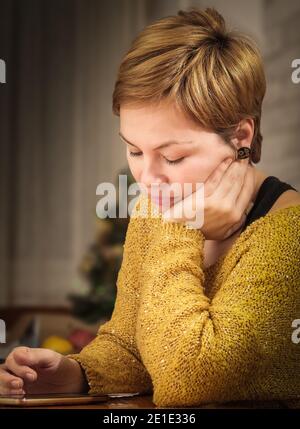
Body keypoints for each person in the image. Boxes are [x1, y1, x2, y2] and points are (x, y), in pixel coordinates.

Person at [1, 7, 300, 408]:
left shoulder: (288, 234)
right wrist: (76, 374)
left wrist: (180, 226)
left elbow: (189, 383)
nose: (148, 179)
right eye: (134, 150)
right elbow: (132, 345)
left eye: (173, 156)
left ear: (241, 137)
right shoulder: (159, 208)